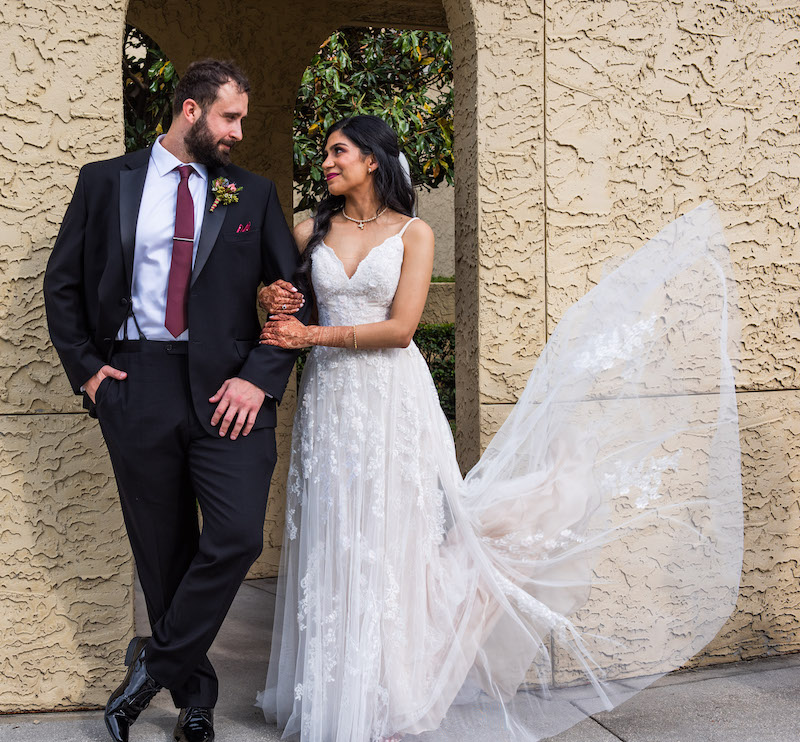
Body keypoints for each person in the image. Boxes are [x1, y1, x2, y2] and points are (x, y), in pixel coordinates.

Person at [256, 115, 742, 742]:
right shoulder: (307, 232)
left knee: (390, 536)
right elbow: (275, 303)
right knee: (335, 530)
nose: (325, 162)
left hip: (390, 399)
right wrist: (275, 303)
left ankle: (390, 686)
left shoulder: (415, 233)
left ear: (372, 160)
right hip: (330, 402)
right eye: (325, 153)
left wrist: (311, 334)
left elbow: (402, 329)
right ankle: (335, 688)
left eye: (337, 151)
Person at [44, 59, 309, 742]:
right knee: (163, 551)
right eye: (230, 117)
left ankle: (151, 667)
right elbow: (64, 285)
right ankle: (195, 699)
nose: (240, 132)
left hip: (231, 392)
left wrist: (260, 376)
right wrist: (91, 374)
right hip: (137, 385)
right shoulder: (107, 183)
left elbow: (292, 299)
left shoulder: (250, 193)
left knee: (235, 536)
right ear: (191, 110)